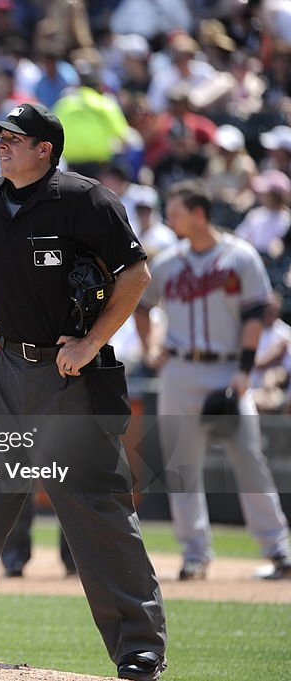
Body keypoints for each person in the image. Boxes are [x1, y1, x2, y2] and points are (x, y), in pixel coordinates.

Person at [0, 103, 168, 681]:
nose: (2, 144)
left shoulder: (84, 199)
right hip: (4, 375)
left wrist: (91, 343)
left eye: (15, 137)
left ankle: (139, 646)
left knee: (96, 510)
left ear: (46, 147)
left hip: (68, 376)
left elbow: (136, 275)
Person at [135, 180, 291, 582]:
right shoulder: (168, 262)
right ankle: (195, 554)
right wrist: (152, 347)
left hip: (227, 371)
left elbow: (255, 315)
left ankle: (278, 549)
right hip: (181, 371)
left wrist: (243, 371)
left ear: (199, 213)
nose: (170, 218)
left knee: (249, 459)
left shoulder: (240, 256)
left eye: (176, 211)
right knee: (182, 467)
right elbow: (142, 307)